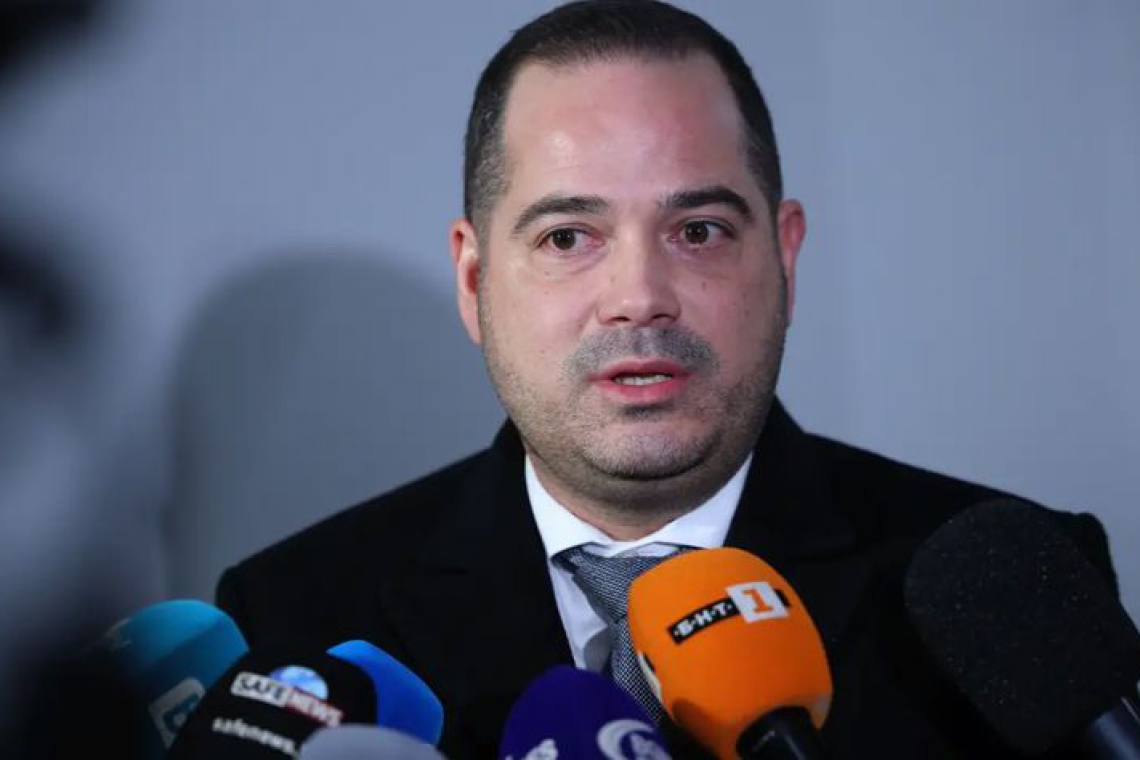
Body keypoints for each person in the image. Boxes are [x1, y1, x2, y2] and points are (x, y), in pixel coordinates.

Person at [215, 2, 1119, 757]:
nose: (639, 297)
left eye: (699, 231)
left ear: (785, 257)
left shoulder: (1017, 603)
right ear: (475, 279)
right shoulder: (294, 619)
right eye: (568, 237)